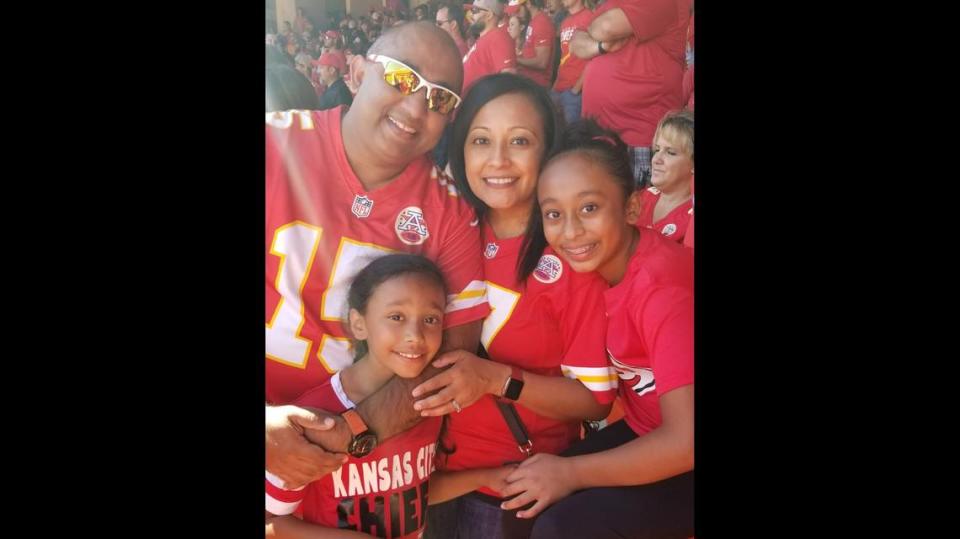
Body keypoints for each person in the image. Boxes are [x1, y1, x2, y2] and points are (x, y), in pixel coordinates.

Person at [266, 21, 489, 492]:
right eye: (402, 77)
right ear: (355, 70)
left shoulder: (452, 216)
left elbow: (446, 365)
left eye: (439, 98)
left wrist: (347, 436)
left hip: (363, 474)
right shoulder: (272, 145)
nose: (415, 107)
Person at [417, 74, 616, 539]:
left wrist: (494, 379)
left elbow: (594, 399)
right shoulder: (443, 232)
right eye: (481, 140)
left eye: (520, 141)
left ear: (548, 151)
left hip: (508, 487)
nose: (498, 161)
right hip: (424, 476)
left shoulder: (570, 257)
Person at [500, 118, 694, 538]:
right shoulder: (600, 269)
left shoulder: (661, 288)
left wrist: (572, 473)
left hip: (684, 450)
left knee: (562, 528)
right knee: (523, 500)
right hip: (649, 433)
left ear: (630, 208)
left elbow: (686, 442)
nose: (570, 232)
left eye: (589, 208)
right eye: (554, 214)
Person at [266, 254, 514, 538]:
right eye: (397, 317)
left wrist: (486, 478)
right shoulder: (314, 416)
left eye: (431, 319)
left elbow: (411, 491)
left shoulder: (427, 404)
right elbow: (273, 523)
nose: (415, 336)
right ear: (359, 324)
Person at [570, 0, 692, 188]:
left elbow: (605, 27)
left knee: (637, 211)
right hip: (600, 132)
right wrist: (601, 47)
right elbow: (576, 43)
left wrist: (595, 36)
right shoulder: (612, 4)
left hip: (638, 137)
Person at [636, 110, 693, 243]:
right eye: (657, 149)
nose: (656, 159)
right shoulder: (641, 198)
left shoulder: (691, 218)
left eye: (671, 152)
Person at [462, 0, 518, 93]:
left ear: (489, 15)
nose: (470, 15)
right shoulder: (486, 37)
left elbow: (509, 81)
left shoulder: (498, 37)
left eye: (475, 10)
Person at [551, 0, 592, 123]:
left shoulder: (589, 17)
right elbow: (564, 57)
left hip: (575, 92)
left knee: (572, 136)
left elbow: (594, 58)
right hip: (559, 89)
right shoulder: (565, 22)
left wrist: (577, 89)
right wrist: (554, 87)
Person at [509, 0, 555, 88]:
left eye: (518, 10)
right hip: (529, 82)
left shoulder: (542, 22)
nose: (516, 14)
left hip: (537, 85)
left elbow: (542, 62)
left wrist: (516, 59)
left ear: (528, 4)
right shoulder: (533, 21)